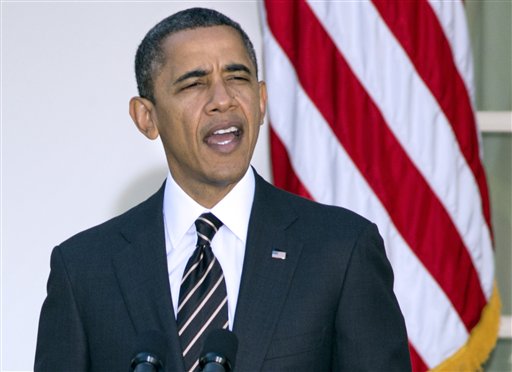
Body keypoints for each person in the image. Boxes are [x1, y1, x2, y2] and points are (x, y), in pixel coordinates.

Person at [35, 7, 411, 371]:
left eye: (237, 78)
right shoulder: (84, 271)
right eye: (195, 83)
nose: (223, 100)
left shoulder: (341, 250)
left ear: (261, 101)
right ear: (146, 117)